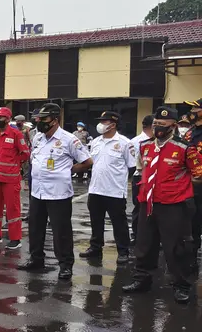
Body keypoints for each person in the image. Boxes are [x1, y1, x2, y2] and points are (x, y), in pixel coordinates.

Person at [123, 106, 202, 304]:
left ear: (173, 126)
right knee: (144, 244)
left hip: (174, 205)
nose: (158, 127)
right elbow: (141, 168)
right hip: (148, 203)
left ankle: (181, 285)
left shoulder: (184, 148)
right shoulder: (145, 146)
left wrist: (181, 189)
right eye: (156, 124)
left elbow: (199, 173)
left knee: (176, 248)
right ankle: (142, 279)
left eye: (163, 125)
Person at [18, 103, 93, 280]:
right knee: (36, 228)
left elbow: (88, 161)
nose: (40, 122)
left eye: (44, 119)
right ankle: (36, 259)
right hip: (38, 192)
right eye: (38, 119)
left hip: (58, 193)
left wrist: (69, 170)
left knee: (61, 232)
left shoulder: (69, 139)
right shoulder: (38, 138)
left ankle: (65, 265)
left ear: (55, 120)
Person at [78, 111, 136, 264]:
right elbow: (91, 162)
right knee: (96, 221)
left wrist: (122, 181)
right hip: (96, 189)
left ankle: (123, 251)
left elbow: (132, 166)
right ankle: (95, 248)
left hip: (114, 191)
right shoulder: (96, 141)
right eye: (101, 121)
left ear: (113, 124)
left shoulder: (124, 143)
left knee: (119, 223)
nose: (101, 124)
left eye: (104, 122)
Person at [0, 107, 29, 249]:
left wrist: (14, 164)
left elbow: (25, 153)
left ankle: (15, 239)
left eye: (0, 117)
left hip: (11, 178)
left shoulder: (16, 134)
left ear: (8, 119)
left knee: (12, 209)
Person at [181, 98, 202, 253]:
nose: (191, 114)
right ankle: (192, 251)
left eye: (195, 110)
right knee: (191, 218)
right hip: (191, 184)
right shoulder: (190, 133)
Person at [129, 115, 154, 245]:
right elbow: (133, 163)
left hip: (150, 176)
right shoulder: (139, 142)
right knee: (140, 207)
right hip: (141, 176)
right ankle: (137, 234)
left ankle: (144, 234)